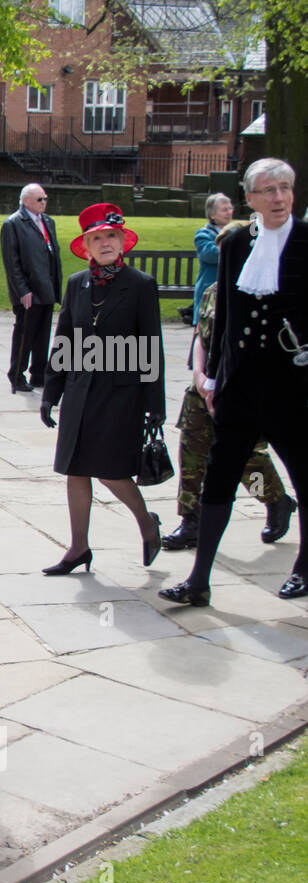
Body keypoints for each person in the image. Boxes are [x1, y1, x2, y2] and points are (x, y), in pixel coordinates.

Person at [161, 158, 308, 606]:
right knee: (218, 480)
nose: (279, 197)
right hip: (241, 386)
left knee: (304, 478)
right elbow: (224, 316)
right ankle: (199, 579)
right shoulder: (236, 243)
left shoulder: (306, 240)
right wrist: (216, 382)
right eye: (269, 190)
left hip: (294, 387)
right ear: (251, 198)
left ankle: (304, 568)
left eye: (285, 188)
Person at [40, 203, 165, 577]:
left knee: (110, 470)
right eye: (97, 238)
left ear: (122, 241)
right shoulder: (77, 284)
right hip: (81, 391)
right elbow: (64, 339)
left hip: (121, 393)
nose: (106, 243)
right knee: (75, 469)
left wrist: (153, 403)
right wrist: (51, 392)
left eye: (112, 236)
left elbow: (151, 345)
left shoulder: (140, 285)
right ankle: (78, 548)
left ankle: (146, 521)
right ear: (87, 246)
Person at [164, 228, 295, 551]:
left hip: (238, 390)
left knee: (248, 460)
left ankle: (277, 500)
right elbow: (201, 336)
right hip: (204, 386)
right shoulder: (212, 291)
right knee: (191, 453)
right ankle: (190, 520)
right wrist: (199, 373)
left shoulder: (261, 293)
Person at [0, 183, 62, 393]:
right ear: (25, 200)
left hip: (47, 286)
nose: (44, 203)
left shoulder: (48, 221)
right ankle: (17, 374)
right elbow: (12, 262)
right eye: (39, 199)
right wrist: (22, 290)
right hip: (28, 289)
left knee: (43, 334)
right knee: (25, 333)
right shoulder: (13, 224)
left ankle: (39, 373)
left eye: (45, 199)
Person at [191, 192, 233, 319]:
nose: (229, 212)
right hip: (210, 292)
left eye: (230, 208)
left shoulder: (236, 231)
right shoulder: (203, 234)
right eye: (224, 210)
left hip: (230, 289)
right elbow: (209, 254)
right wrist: (232, 245)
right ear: (212, 215)